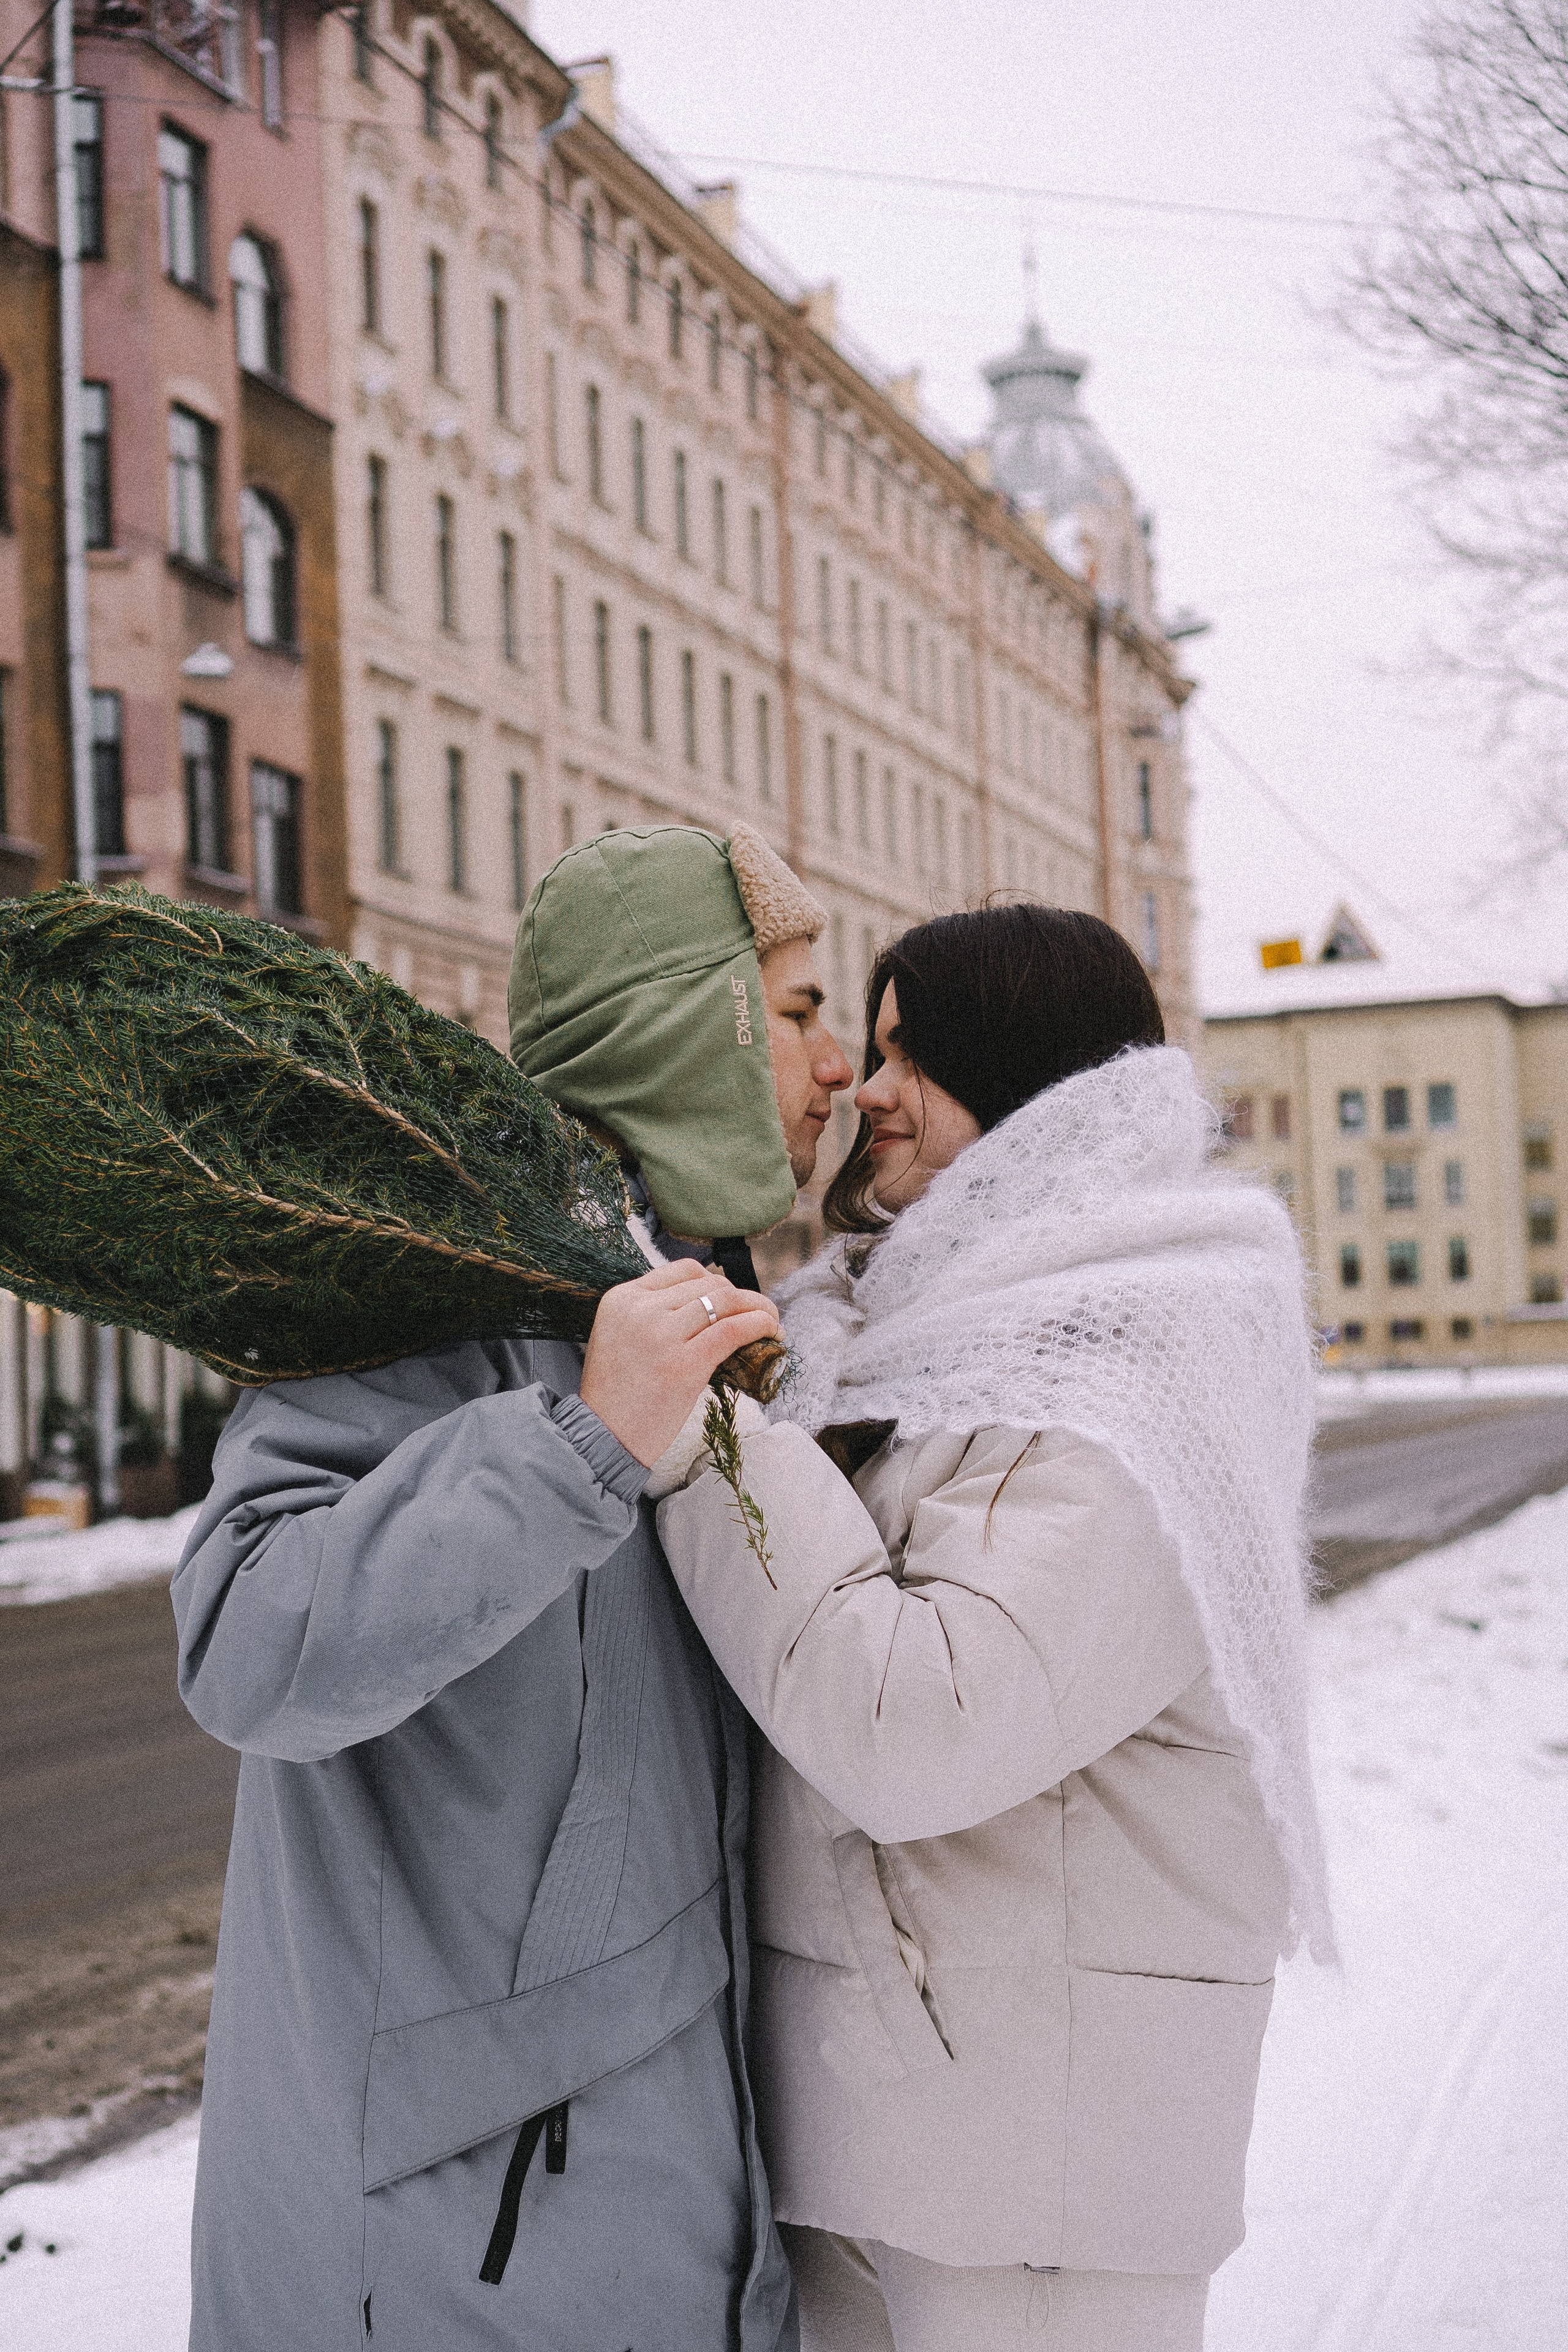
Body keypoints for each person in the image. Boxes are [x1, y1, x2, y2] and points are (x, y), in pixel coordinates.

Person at [171, 823, 853, 2352]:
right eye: (800, 1012)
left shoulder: (697, 1312)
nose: (838, 1075)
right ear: (689, 1022)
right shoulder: (435, 1285)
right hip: (437, 2243)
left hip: (630, 2209)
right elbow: (247, 1642)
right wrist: (575, 1445)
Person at [651, 903, 1334, 2352]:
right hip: (888, 2107)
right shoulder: (902, 1327)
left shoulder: (1143, 1357)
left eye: (915, 1054)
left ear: (1029, 1080)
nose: (864, 1089)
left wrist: (700, 1430)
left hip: (1039, 2161)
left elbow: (922, 1731)